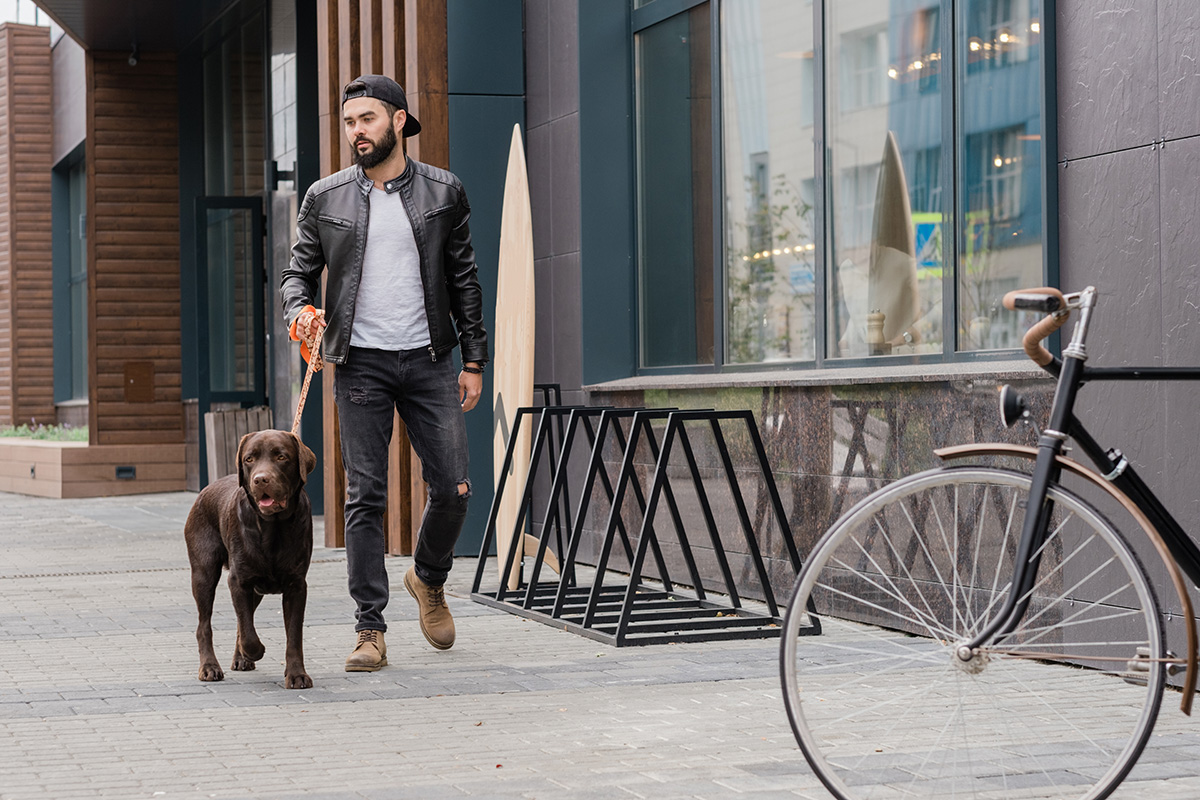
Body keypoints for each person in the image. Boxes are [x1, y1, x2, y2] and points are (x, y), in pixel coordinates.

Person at [281, 74, 488, 672]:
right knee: (363, 498)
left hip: (430, 359)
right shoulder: (326, 197)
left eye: (367, 119)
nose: (356, 131)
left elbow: (464, 281)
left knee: (452, 488)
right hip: (360, 364)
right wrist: (300, 313)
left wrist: (474, 359)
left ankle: (428, 578)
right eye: (348, 122)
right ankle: (369, 629)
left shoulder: (444, 192)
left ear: (399, 120)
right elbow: (298, 275)